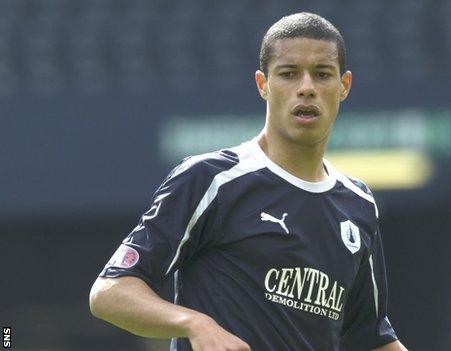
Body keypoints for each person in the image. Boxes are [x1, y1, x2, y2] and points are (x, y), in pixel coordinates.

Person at [89, 12, 408, 351]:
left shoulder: (358, 203)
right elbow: (110, 292)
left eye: (322, 74)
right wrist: (194, 323)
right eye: (288, 74)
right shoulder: (211, 179)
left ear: (343, 86)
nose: (306, 88)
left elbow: (370, 338)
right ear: (263, 84)